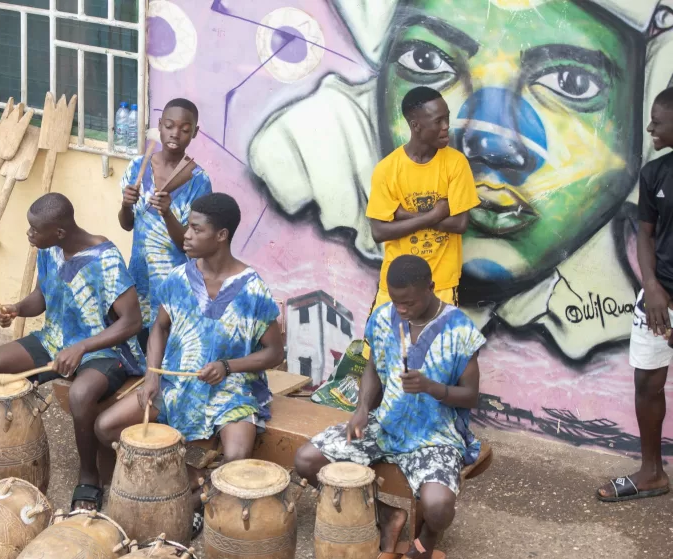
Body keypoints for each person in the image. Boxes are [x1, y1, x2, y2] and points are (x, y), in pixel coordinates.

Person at [250, 0, 672, 360]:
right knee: (381, 361)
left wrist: (414, 216)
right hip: (396, 296)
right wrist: (433, 214)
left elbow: (453, 219)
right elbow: (398, 224)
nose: (487, 139)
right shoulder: (385, 167)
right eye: (427, 61)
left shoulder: (452, 168)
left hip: (441, 296)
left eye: (571, 83)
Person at [295, 255, 485, 559]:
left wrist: (432, 387)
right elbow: (373, 367)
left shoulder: (460, 329)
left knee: (438, 506)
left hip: (435, 436)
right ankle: (386, 516)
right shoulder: (384, 318)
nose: (401, 309)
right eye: (396, 301)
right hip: (384, 426)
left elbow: (470, 396)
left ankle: (426, 541)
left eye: (409, 302)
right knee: (307, 461)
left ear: (430, 287)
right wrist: (362, 408)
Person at [97, 192, 284, 529]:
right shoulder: (179, 279)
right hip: (176, 383)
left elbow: (274, 352)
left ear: (221, 235)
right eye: (189, 227)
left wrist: (227, 367)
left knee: (237, 457)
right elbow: (159, 328)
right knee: (106, 427)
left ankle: (191, 501)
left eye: (197, 229)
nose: (186, 235)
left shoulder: (252, 289)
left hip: (232, 391)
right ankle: (191, 479)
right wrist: (152, 376)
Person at [0, 193, 144, 511]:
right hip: (54, 341)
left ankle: (89, 474)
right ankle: (4, 455)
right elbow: (42, 296)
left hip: (104, 350)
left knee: (81, 394)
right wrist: (16, 309)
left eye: (35, 230)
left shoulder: (105, 259)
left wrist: (82, 346)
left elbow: (132, 321)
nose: (29, 234)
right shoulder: (49, 249)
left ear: (60, 232)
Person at [597, 87, 673, 502]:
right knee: (647, 383)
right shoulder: (655, 173)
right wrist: (652, 286)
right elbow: (645, 235)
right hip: (659, 300)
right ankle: (651, 473)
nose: (649, 128)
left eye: (657, 122)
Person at [366, 86, 479, 310]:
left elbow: (459, 224)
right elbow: (379, 232)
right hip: (396, 288)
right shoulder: (387, 169)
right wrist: (436, 214)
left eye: (447, 118)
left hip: (441, 286)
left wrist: (403, 215)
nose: (446, 126)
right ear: (416, 125)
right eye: (438, 121)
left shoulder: (456, 164)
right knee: (384, 335)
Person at [119, 98, 212, 348]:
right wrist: (126, 205)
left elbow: (188, 245)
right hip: (139, 275)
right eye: (169, 126)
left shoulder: (199, 181)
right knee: (137, 344)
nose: (175, 134)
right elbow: (127, 225)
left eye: (185, 129)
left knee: (167, 345)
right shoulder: (137, 167)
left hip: (174, 282)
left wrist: (167, 213)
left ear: (195, 132)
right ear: (159, 125)